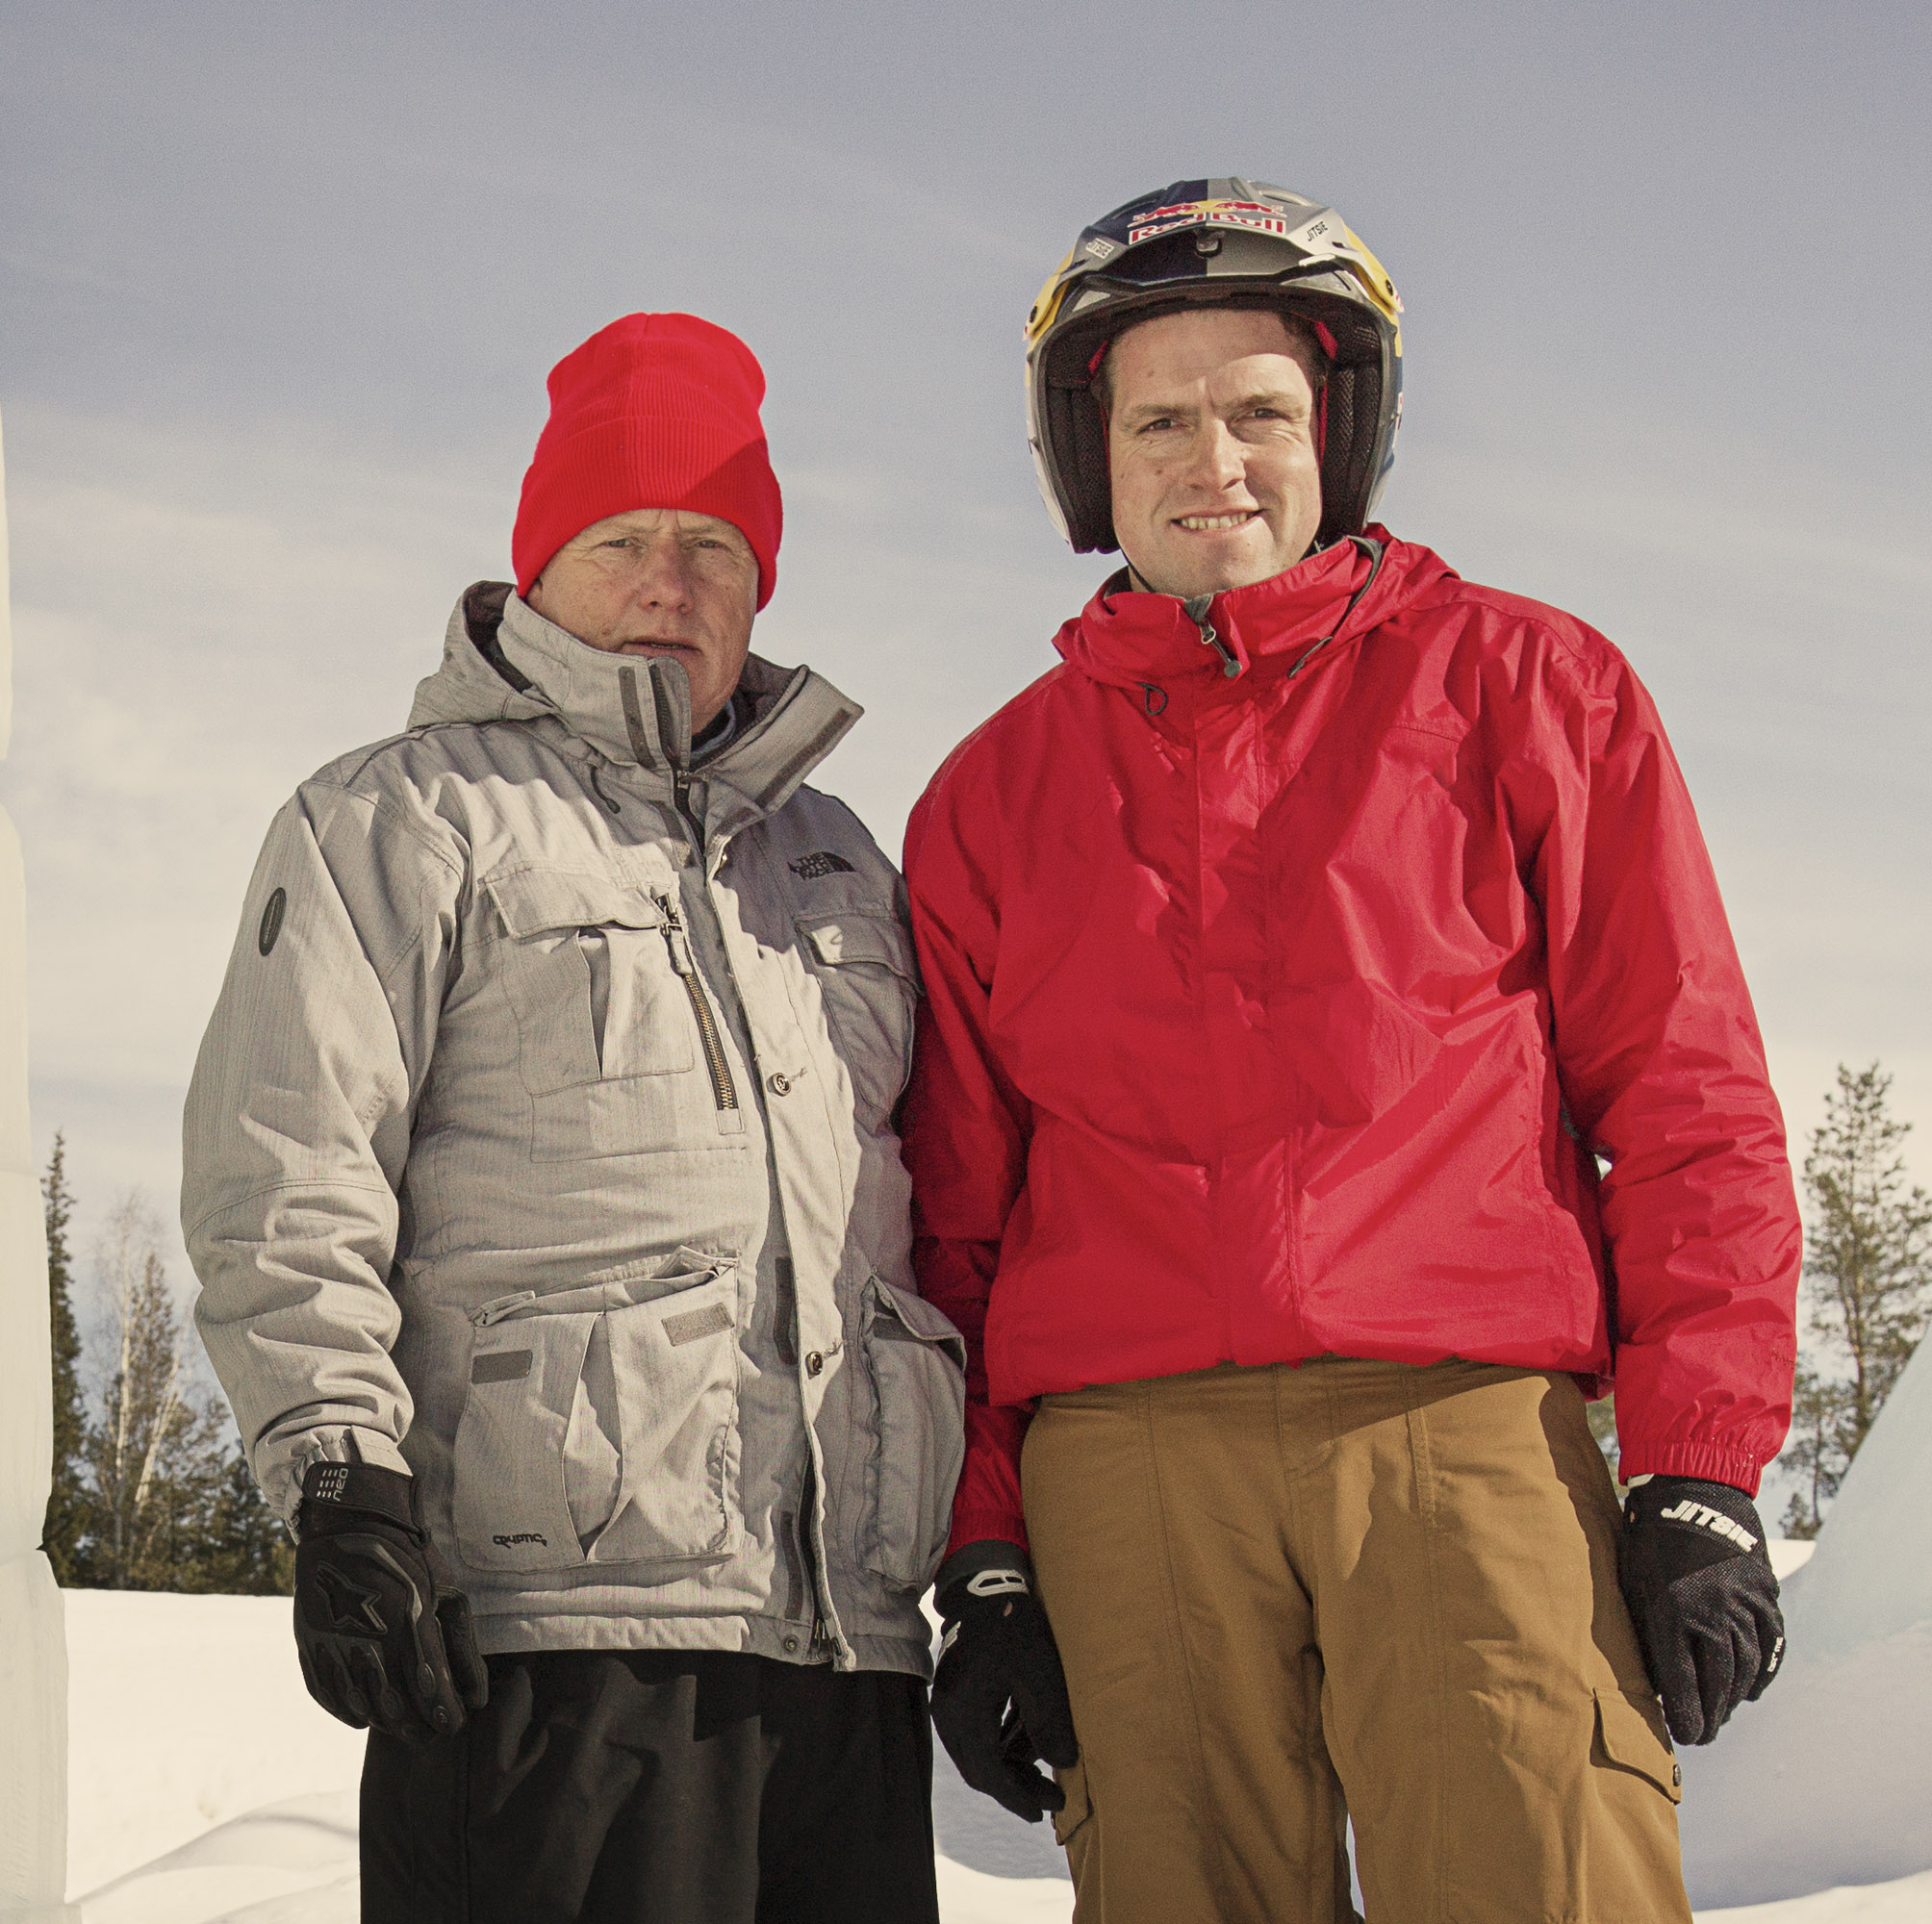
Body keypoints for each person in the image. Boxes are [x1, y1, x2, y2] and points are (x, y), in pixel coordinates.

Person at [902, 179, 1800, 1924]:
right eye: (1158, 421)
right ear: (1090, 458)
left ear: (1339, 432)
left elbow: (1685, 1095)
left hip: (1462, 1427)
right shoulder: (990, 799)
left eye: (1259, 411)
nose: (1213, 461)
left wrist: (1698, 1464)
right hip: (1130, 1465)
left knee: (1545, 1881)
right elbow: (956, 1226)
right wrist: (987, 1549)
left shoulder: (1533, 689)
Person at [183, 312, 965, 1924]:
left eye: (714, 547)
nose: (670, 582)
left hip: (848, 1647)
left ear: (762, 587)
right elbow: (288, 1165)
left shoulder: (841, 861)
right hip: (549, 1651)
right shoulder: (400, 816)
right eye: (622, 540)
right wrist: (336, 1473)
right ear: (539, 568)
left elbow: (942, 1213)